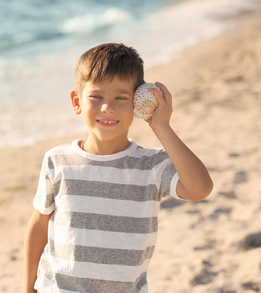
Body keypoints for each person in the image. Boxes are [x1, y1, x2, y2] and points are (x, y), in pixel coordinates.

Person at [22, 43, 213, 293]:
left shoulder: (151, 166)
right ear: (76, 101)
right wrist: (28, 288)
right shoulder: (58, 160)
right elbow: (39, 225)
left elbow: (200, 188)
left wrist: (160, 126)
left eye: (121, 98)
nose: (107, 107)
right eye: (96, 96)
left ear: (137, 103)